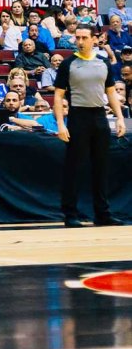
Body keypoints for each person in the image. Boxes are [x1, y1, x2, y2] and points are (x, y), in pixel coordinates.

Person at [53, 26, 126, 228]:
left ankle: (102, 214)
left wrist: (119, 117)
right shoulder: (68, 63)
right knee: (74, 167)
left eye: (84, 37)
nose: (80, 41)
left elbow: (110, 92)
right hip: (78, 116)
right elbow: (58, 96)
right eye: (77, 38)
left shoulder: (103, 62)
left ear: (95, 39)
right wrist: (61, 123)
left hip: (99, 116)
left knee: (101, 167)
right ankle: (70, 214)